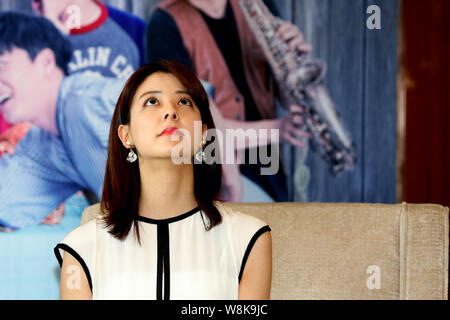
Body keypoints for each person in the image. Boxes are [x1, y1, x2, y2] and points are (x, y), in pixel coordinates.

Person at [54, 60, 272, 300]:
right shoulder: (81, 248)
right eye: (151, 101)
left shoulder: (249, 237)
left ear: (202, 134)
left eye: (184, 101)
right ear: (126, 136)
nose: (170, 112)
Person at [146, 0, 312, 202]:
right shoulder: (164, 23)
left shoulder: (258, 5)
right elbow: (191, 129)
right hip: (213, 179)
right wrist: (278, 130)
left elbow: (286, 99)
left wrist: (293, 65)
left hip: (270, 170)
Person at [0, 12, 127, 230]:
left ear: (46, 62)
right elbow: (6, 204)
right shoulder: (40, 145)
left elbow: (199, 98)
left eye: (2, 64)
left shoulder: (92, 99)